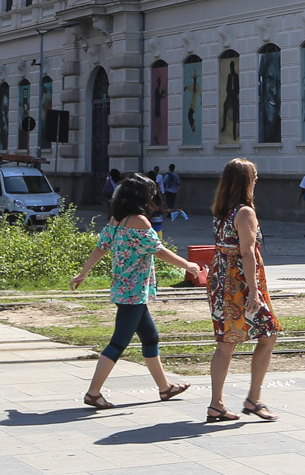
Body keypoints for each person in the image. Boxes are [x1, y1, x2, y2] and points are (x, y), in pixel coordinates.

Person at [70, 173, 202, 409]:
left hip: (127, 289)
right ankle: (93, 393)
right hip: (133, 292)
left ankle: (165, 388)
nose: (153, 198)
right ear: (140, 197)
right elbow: (158, 251)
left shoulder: (116, 220)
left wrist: (84, 272)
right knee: (118, 343)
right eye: (150, 195)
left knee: (150, 337)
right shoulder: (140, 221)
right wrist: (188, 265)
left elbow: (101, 247)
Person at [206, 158, 281, 423]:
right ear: (246, 181)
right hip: (240, 284)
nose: (257, 180)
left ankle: (217, 404)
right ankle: (253, 399)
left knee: (225, 343)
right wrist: (253, 291)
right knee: (268, 335)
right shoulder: (245, 212)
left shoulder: (221, 211)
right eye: (255, 176)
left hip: (220, 281)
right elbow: (247, 253)